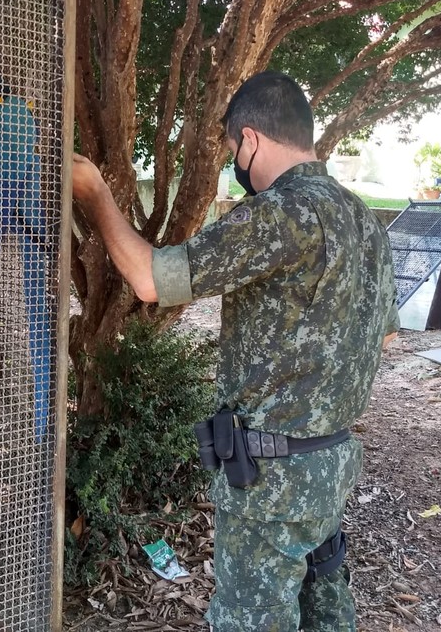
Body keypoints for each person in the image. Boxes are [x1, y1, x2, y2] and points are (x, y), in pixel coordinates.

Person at [71, 70, 399, 632]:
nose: (234, 166)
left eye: (231, 152)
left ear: (249, 140)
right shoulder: (363, 219)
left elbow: (153, 279)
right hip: (332, 462)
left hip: (271, 478)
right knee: (325, 608)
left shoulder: (278, 212)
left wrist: (97, 195)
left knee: (253, 619)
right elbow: (386, 334)